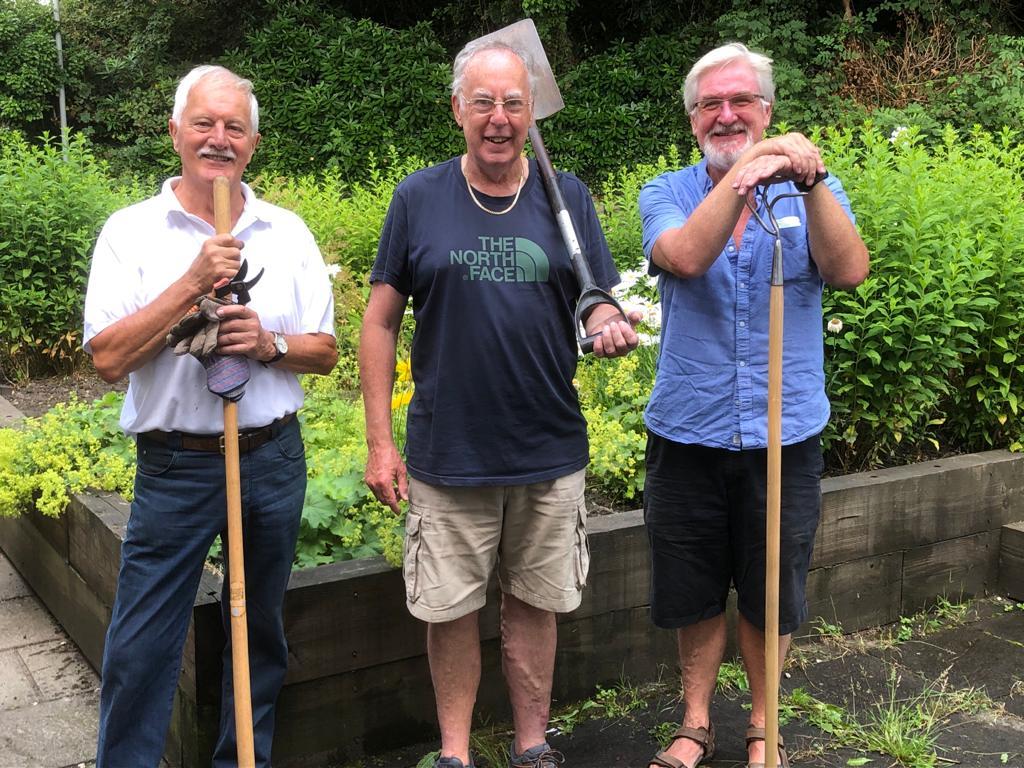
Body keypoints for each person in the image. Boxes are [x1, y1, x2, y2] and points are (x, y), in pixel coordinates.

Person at [359, 39, 640, 768]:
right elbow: (380, 320)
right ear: (457, 109)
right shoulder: (419, 198)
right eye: (482, 102)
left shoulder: (565, 196)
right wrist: (380, 442)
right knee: (449, 611)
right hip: (449, 451)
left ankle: (531, 743)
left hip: (547, 444)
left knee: (535, 602)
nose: (498, 118)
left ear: (531, 112)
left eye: (513, 102)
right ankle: (455, 753)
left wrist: (605, 322)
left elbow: (594, 298)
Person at [82, 65, 337, 768]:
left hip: (271, 458)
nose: (218, 139)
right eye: (204, 123)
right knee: (141, 644)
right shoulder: (129, 233)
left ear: (252, 141)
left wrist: (269, 343)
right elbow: (108, 357)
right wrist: (193, 283)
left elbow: (324, 351)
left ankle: (242, 761)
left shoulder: (286, 233)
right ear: (175, 133)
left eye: (233, 127)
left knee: (258, 633)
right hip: (175, 464)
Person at [638, 43, 869, 768]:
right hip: (689, 427)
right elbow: (682, 256)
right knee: (696, 587)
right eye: (711, 104)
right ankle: (696, 721)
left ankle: (764, 727)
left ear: (768, 110)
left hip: (784, 429)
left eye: (743, 102)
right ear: (692, 119)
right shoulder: (666, 192)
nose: (728, 114)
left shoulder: (807, 193)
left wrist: (814, 181)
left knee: (773, 586)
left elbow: (849, 271)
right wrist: (748, 170)